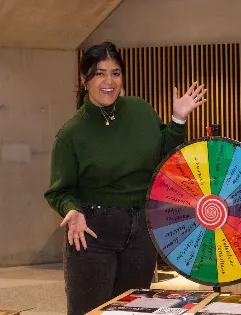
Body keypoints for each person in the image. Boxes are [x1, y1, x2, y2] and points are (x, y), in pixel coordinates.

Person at [44, 41, 207, 314]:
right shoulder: (71, 134)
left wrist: (178, 120)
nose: (109, 81)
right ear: (85, 80)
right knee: (90, 311)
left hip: (142, 230)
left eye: (116, 73)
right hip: (92, 233)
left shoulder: (140, 110)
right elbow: (59, 192)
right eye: (100, 73)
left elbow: (166, 163)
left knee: (134, 310)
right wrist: (72, 210)